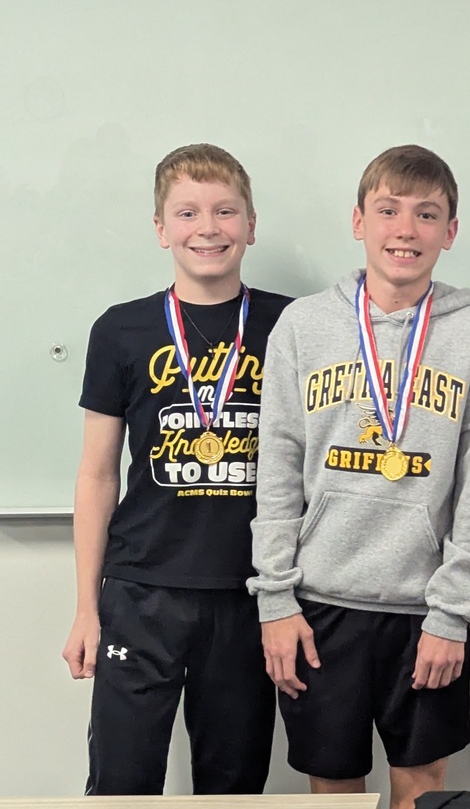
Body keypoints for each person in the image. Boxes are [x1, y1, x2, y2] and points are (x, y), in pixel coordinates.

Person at [248, 144, 470, 809]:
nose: (406, 229)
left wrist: (453, 612)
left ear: (450, 232)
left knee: (421, 788)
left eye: (427, 214)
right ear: (358, 220)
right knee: (334, 789)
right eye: (389, 210)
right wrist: (276, 600)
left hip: (424, 609)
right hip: (319, 607)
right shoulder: (303, 325)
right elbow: (280, 468)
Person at [61, 143, 291, 794]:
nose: (208, 227)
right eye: (187, 213)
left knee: (233, 786)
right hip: (141, 593)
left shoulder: (291, 326)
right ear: (162, 229)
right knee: (121, 783)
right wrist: (86, 608)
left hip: (248, 595)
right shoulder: (121, 331)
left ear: (250, 224)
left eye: (225, 211)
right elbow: (97, 475)